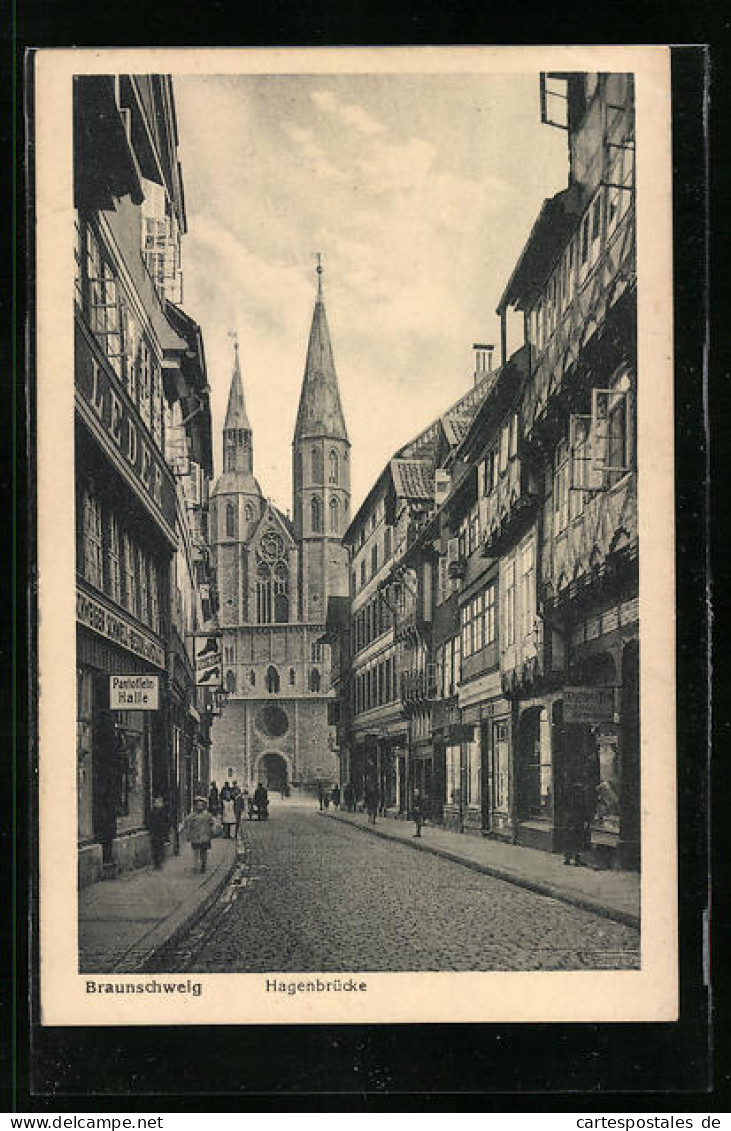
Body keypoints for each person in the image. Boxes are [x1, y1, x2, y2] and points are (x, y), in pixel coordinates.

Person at [563, 773, 591, 865]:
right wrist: (587, 819)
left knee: (569, 837)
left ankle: (567, 858)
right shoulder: (580, 791)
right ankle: (577, 860)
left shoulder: (567, 789)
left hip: (568, 816)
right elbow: (583, 806)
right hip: (577, 817)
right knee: (578, 838)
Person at [186, 796, 214, 873]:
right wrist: (188, 835)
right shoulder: (192, 816)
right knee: (195, 852)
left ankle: (203, 865)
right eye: (198, 805)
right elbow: (188, 825)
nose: (199, 807)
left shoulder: (207, 815)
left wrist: (211, 830)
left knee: (203, 852)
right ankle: (196, 866)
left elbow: (212, 823)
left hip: (205, 836)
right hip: (195, 836)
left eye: (201, 805)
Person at [148, 795, 169, 870]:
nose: (160, 804)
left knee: (159, 849)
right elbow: (150, 823)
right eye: (158, 802)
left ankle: (158, 864)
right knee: (156, 849)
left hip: (159, 834)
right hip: (156, 834)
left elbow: (166, 823)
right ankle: (157, 864)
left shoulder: (162, 812)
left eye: (160, 802)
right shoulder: (153, 812)